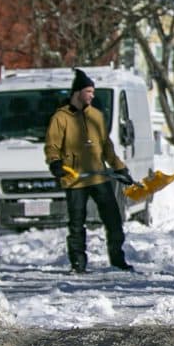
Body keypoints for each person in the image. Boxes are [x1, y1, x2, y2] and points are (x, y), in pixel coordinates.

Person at [45, 69, 135, 274]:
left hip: (97, 176)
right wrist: (55, 163)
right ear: (77, 92)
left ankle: (118, 260)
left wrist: (119, 167)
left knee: (113, 219)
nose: (92, 96)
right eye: (89, 91)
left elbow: (107, 146)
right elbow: (52, 145)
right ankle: (78, 263)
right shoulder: (61, 117)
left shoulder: (96, 116)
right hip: (74, 179)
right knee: (77, 223)